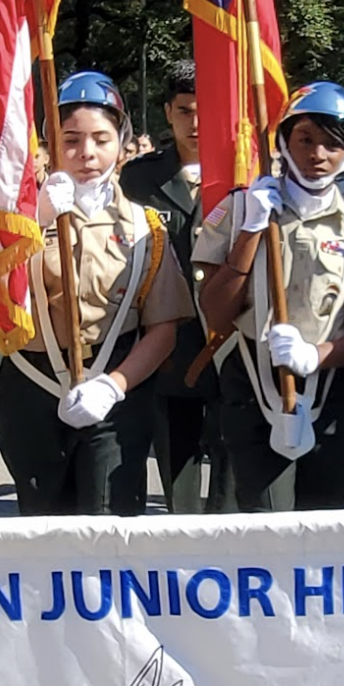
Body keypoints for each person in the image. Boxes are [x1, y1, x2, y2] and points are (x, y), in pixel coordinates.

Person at [0, 72, 192, 515]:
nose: (86, 153)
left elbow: (163, 329)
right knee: (43, 526)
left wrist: (114, 386)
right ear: (49, 144)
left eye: (101, 139)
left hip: (115, 386)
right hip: (32, 382)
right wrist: (33, 223)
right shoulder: (16, 221)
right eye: (71, 139)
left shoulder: (144, 227)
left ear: (121, 144)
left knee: (110, 528)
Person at [196, 82, 344, 511]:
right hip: (253, 382)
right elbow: (215, 312)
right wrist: (252, 228)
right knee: (267, 524)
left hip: (331, 386)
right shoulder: (240, 211)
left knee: (323, 526)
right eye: (305, 138)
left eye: (334, 143)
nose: (318, 154)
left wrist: (318, 354)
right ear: (284, 139)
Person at [120, 64, 231, 511]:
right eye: (185, 111)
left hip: (229, 337)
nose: (196, 123)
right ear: (168, 113)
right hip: (168, 341)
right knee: (175, 456)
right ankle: (182, 537)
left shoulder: (242, 176)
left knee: (232, 460)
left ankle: (226, 545)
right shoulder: (138, 179)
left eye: (205, 111)